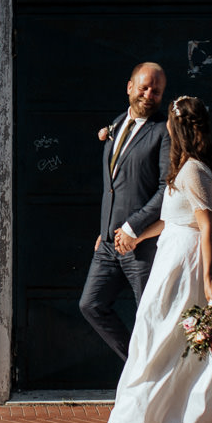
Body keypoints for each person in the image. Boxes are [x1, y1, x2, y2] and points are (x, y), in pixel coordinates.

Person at [98, 94, 212, 423]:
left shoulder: (195, 170)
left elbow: (205, 226)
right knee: (159, 335)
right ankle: (157, 415)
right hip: (172, 254)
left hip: (188, 263)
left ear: (176, 125)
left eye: (169, 118)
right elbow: (170, 220)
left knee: (170, 335)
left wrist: (210, 279)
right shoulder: (182, 166)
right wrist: (136, 237)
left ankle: (189, 420)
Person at [79, 62, 170, 362]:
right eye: (143, 87)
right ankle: (137, 367)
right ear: (129, 87)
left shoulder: (163, 131)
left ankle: (157, 388)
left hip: (143, 246)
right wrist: (105, 228)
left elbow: (166, 189)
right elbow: (114, 187)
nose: (148, 94)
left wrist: (133, 228)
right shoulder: (117, 125)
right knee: (91, 305)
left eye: (155, 91)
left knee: (151, 317)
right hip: (107, 244)